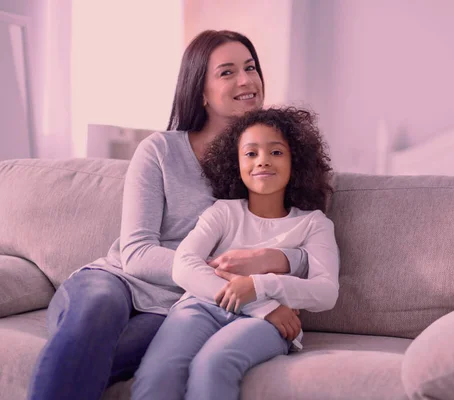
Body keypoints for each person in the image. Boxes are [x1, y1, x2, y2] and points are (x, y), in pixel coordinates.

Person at [27, 30, 308, 400]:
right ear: (201, 91)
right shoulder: (159, 150)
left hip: (181, 306)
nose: (246, 80)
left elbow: (302, 242)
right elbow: (138, 253)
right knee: (96, 309)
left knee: (119, 355)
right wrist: (220, 272)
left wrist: (278, 258)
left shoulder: (269, 162)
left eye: (250, 67)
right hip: (117, 280)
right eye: (227, 72)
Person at [131, 107, 340, 400]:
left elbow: (325, 292)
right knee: (159, 371)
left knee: (213, 364)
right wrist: (261, 304)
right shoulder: (223, 212)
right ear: (236, 163)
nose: (263, 160)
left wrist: (257, 286)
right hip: (205, 307)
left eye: (276, 152)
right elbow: (184, 265)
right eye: (251, 153)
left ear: (296, 161)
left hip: (266, 325)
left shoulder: (313, 224)